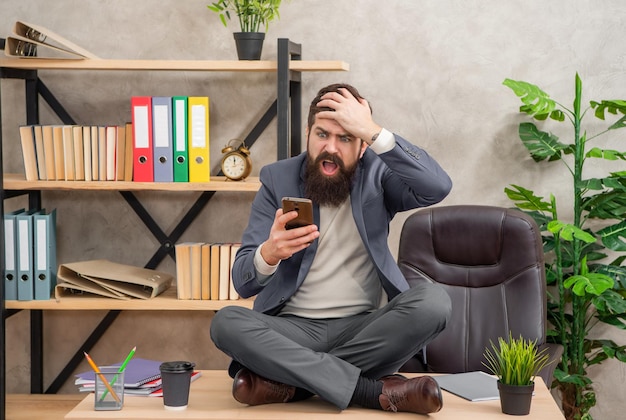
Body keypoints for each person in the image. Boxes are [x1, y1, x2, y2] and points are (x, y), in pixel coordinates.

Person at [210, 83, 453, 414]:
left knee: (434, 303)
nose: (331, 148)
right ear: (308, 133)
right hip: (294, 330)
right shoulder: (276, 178)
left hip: (367, 327)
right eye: (322, 134)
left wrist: (372, 130)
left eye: (346, 138)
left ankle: (292, 384)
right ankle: (369, 391)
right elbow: (243, 282)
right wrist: (269, 254)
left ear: (363, 146)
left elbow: (437, 186)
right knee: (225, 323)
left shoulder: (379, 176)